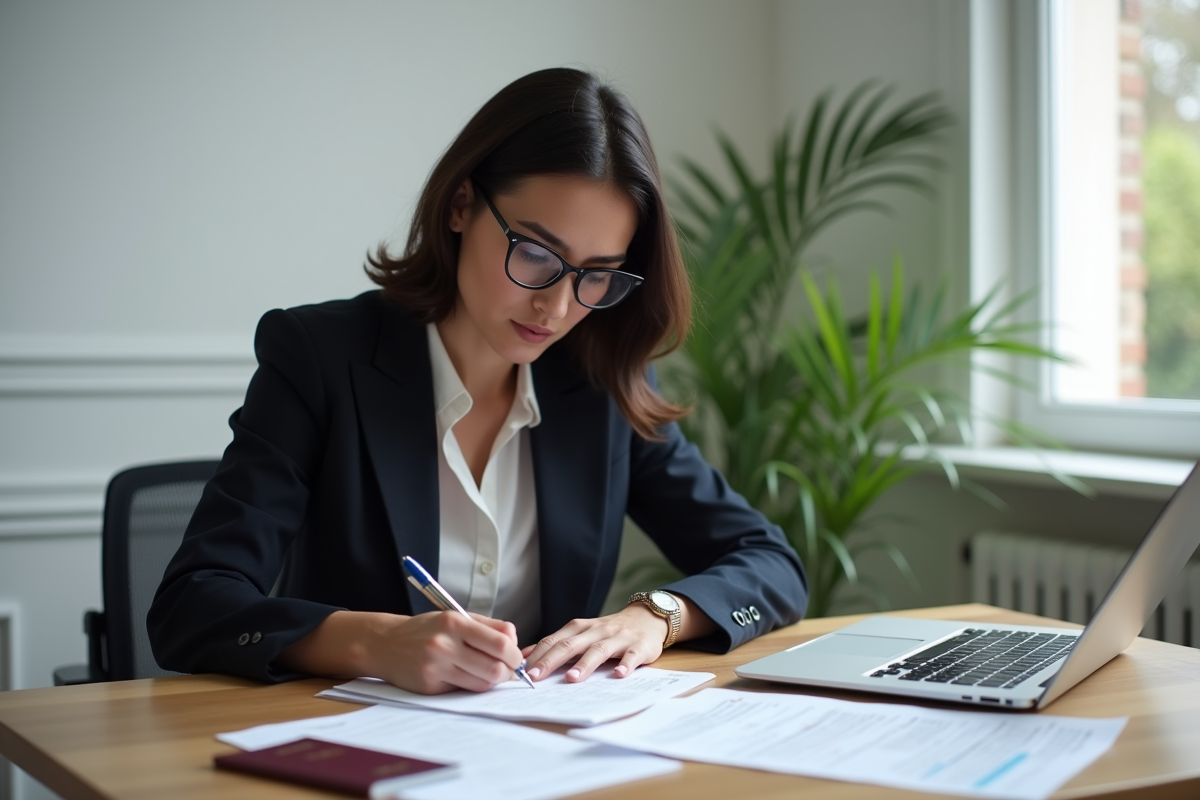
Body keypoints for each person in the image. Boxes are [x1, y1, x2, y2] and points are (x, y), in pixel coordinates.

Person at [148, 68, 807, 695]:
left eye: (597, 274)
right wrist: (377, 642)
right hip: (350, 741)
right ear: (461, 204)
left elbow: (770, 561)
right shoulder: (321, 358)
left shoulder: (601, 385)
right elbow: (193, 604)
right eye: (537, 254)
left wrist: (655, 615)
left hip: (540, 743)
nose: (557, 306)